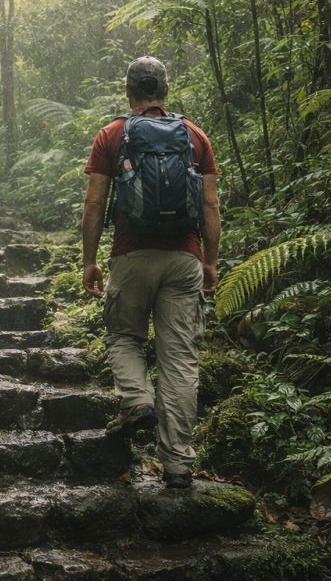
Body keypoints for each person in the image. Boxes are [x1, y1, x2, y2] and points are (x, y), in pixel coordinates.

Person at [80, 56, 221, 489]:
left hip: (130, 254)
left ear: (128, 91)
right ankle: (178, 464)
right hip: (183, 258)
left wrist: (90, 259)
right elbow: (210, 206)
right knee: (179, 359)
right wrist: (210, 260)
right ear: (165, 89)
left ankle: (138, 400)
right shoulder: (195, 136)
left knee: (124, 336)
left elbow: (95, 204)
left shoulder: (112, 134)